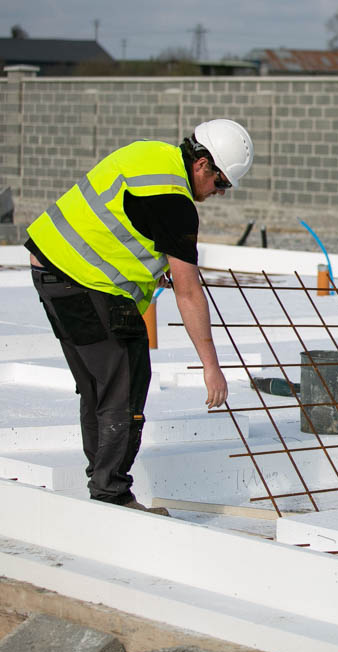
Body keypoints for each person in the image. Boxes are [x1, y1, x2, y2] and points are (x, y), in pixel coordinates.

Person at [25, 119, 254, 513]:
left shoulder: (147, 153)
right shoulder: (177, 204)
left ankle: (101, 483)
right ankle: (111, 495)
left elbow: (117, 220)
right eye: (221, 184)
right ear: (203, 166)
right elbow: (188, 292)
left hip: (48, 268)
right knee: (127, 387)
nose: (219, 193)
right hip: (90, 284)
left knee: (98, 385)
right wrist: (211, 365)